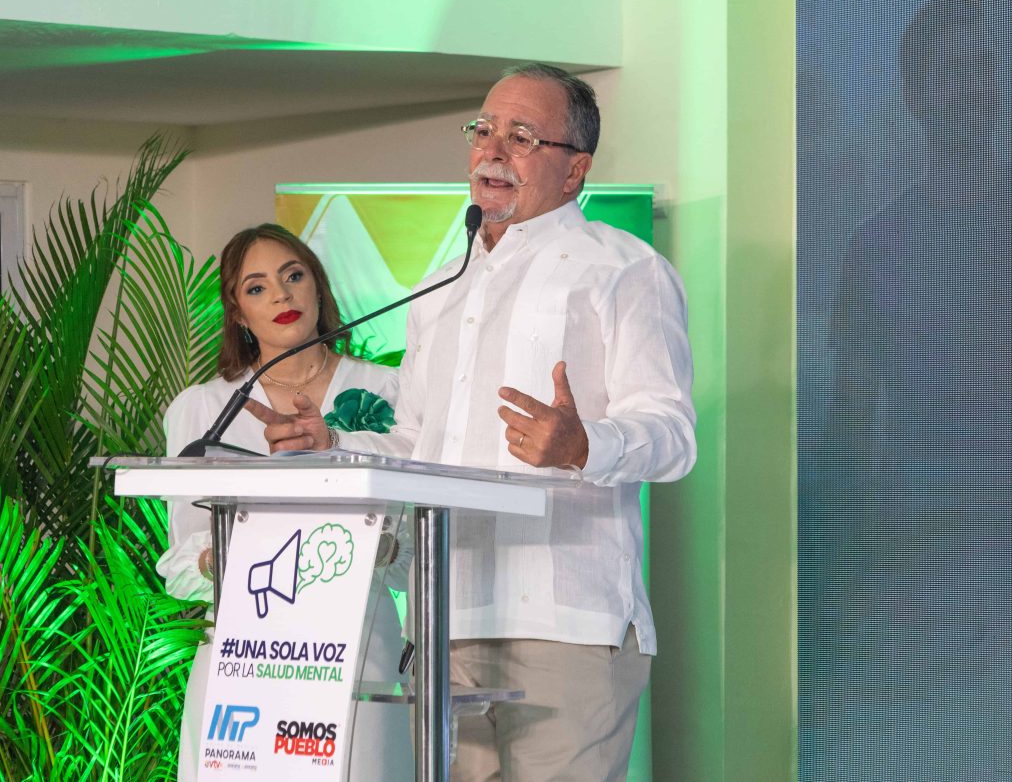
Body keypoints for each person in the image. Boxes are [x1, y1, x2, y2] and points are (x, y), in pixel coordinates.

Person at [249, 64, 697, 780]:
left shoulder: (623, 270)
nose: (492, 149)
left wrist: (584, 444)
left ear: (575, 169)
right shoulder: (439, 290)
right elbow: (417, 440)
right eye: (482, 130)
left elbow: (672, 433)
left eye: (522, 136)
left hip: (564, 623)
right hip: (445, 619)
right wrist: (333, 444)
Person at [156, 223, 412, 782]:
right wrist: (235, 554)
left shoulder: (392, 390)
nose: (280, 294)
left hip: (359, 651)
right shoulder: (203, 408)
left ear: (317, 285)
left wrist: (378, 544)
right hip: (243, 661)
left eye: (293, 276)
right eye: (257, 287)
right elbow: (183, 562)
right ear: (237, 312)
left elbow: (417, 549)